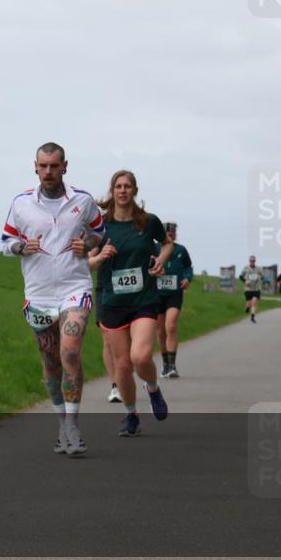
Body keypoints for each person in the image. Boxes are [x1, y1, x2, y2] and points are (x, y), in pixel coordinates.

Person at [2, 142, 104, 455]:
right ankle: (61, 424)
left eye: (54, 166)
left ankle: (73, 426)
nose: (48, 172)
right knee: (51, 363)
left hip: (75, 287)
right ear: (35, 166)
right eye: (43, 166)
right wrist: (21, 247)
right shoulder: (21, 203)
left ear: (65, 167)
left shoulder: (83, 200)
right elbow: (6, 242)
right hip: (39, 293)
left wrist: (89, 243)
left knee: (70, 352)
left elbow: (100, 232)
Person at [96, 170, 173, 437]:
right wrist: (100, 256)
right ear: (112, 191)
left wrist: (160, 259)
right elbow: (87, 262)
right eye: (118, 186)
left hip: (143, 300)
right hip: (113, 302)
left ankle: (153, 388)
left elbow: (167, 244)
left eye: (127, 186)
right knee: (123, 366)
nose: (123, 190)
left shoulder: (148, 222)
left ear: (135, 191)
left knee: (139, 356)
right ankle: (131, 416)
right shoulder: (101, 225)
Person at [155, 222, 193, 378]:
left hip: (174, 293)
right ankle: (165, 364)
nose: (170, 236)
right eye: (167, 234)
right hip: (157, 293)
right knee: (160, 331)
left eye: (172, 234)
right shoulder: (154, 248)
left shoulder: (181, 250)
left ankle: (172, 366)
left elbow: (188, 267)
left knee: (170, 326)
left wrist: (187, 278)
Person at [88, 246, 121, 402]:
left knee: (126, 341)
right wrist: (99, 256)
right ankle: (115, 386)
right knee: (107, 339)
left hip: (130, 290)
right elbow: (88, 261)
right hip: (105, 289)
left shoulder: (137, 232)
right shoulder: (101, 235)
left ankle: (126, 376)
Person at [239, 256, 263, 323]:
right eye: (251, 261)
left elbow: (262, 276)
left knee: (254, 303)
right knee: (249, 303)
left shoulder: (258, 268)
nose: (252, 262)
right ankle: (247, 307)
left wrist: (260, 277)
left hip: (256, 288)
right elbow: (240, 276)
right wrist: (245, 281)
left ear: (255, 261)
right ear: (249, 261)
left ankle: (252, 317)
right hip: (248, 288)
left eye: (253, 261)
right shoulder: (246, 268)